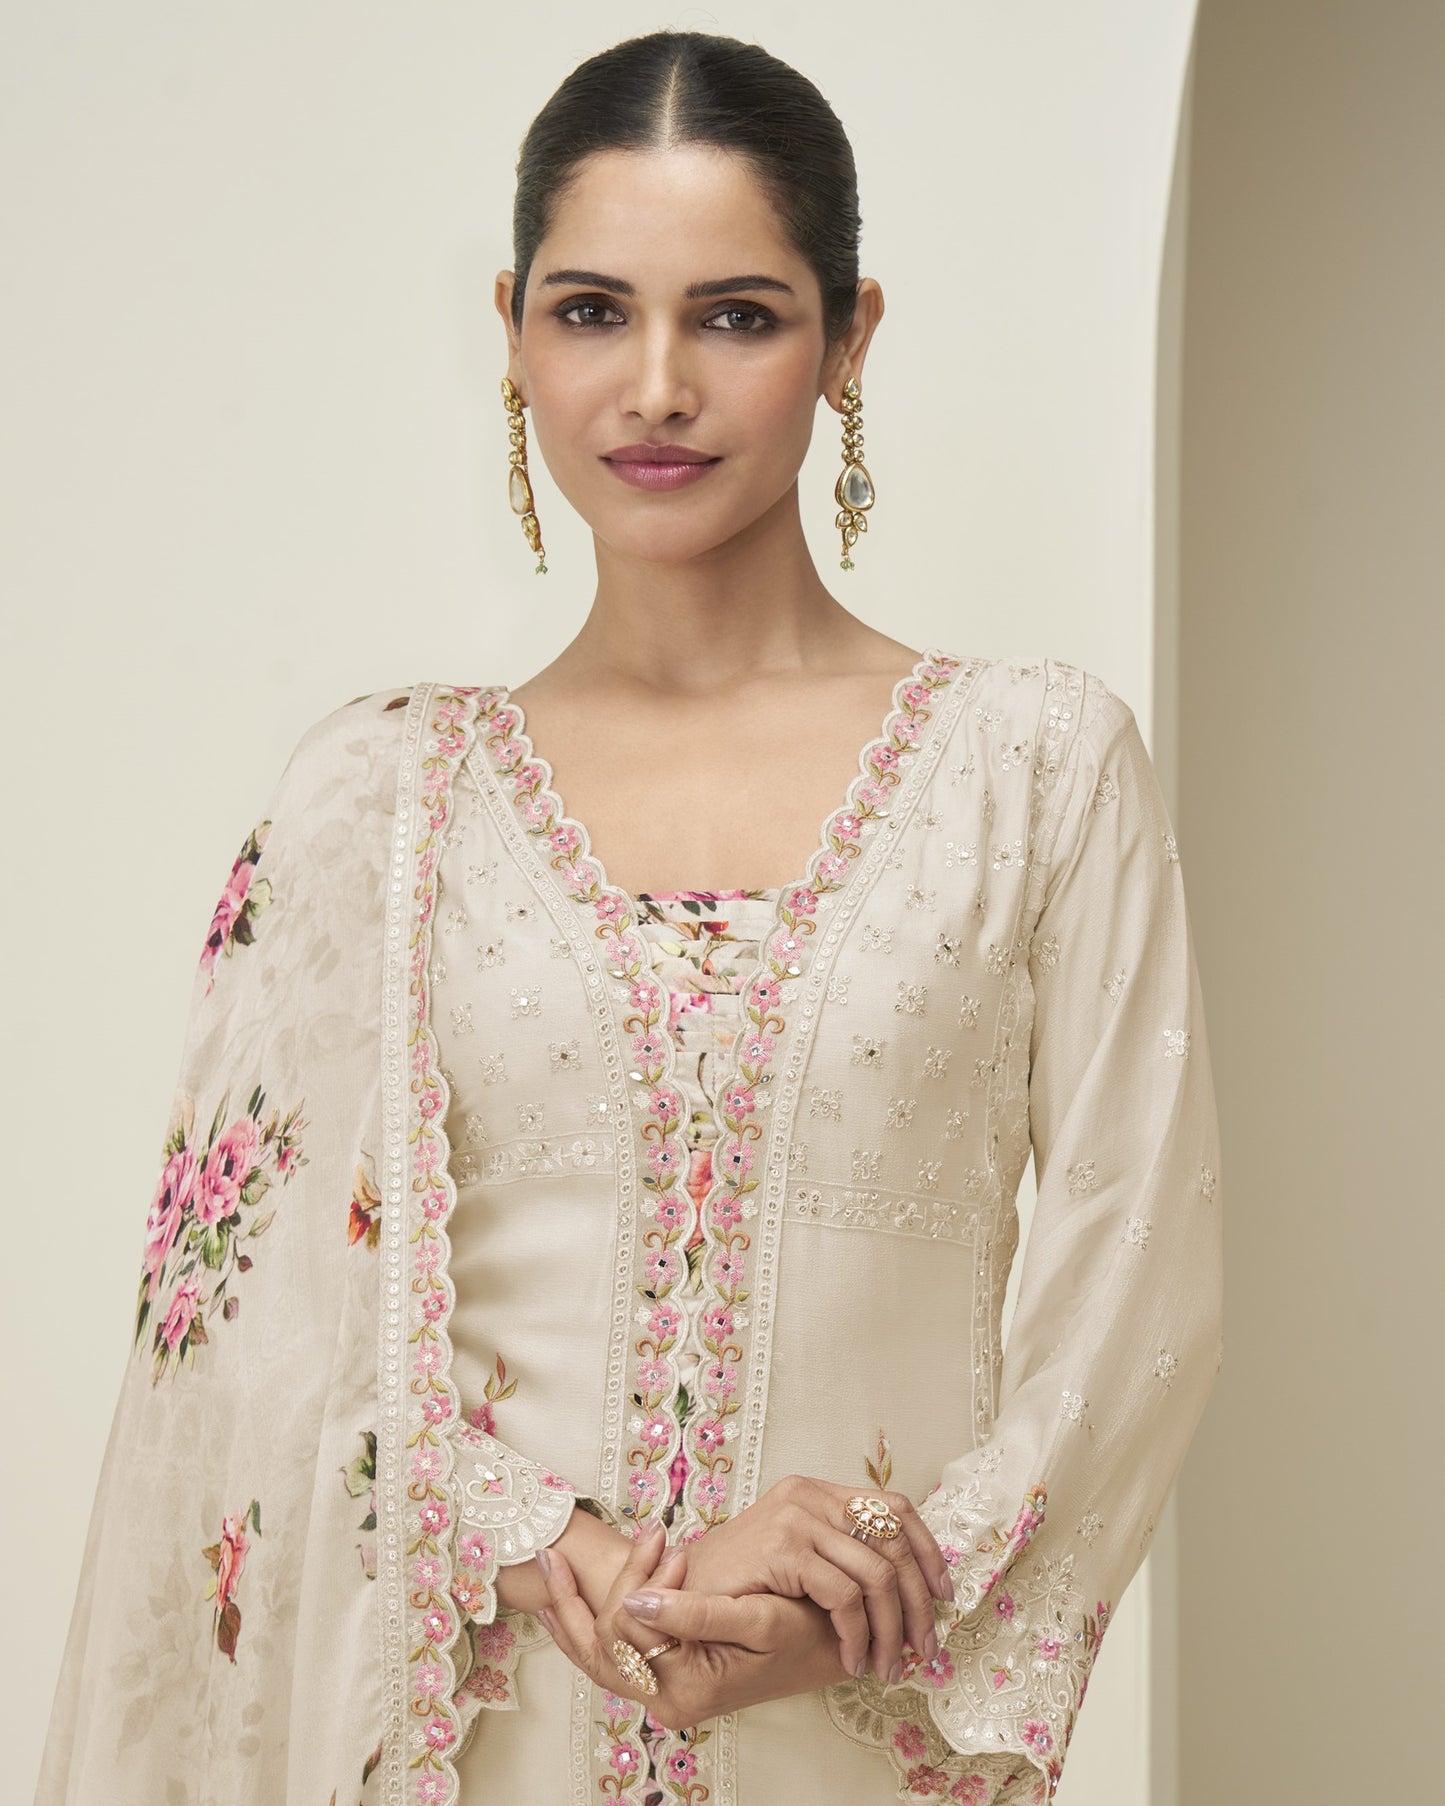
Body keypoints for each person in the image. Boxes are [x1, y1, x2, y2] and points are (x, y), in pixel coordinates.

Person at [34, 28, 1223, 1806]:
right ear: (512, 330)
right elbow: (257, 1346)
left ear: (849, 338)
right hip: (477, 1730)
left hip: (858, 1732)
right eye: (591, 312)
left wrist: (891, 1573)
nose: (655, 384)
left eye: (736, 315)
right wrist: (520, 1536)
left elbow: (1136, 1262)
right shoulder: (379, 803)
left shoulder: (1030, 769)